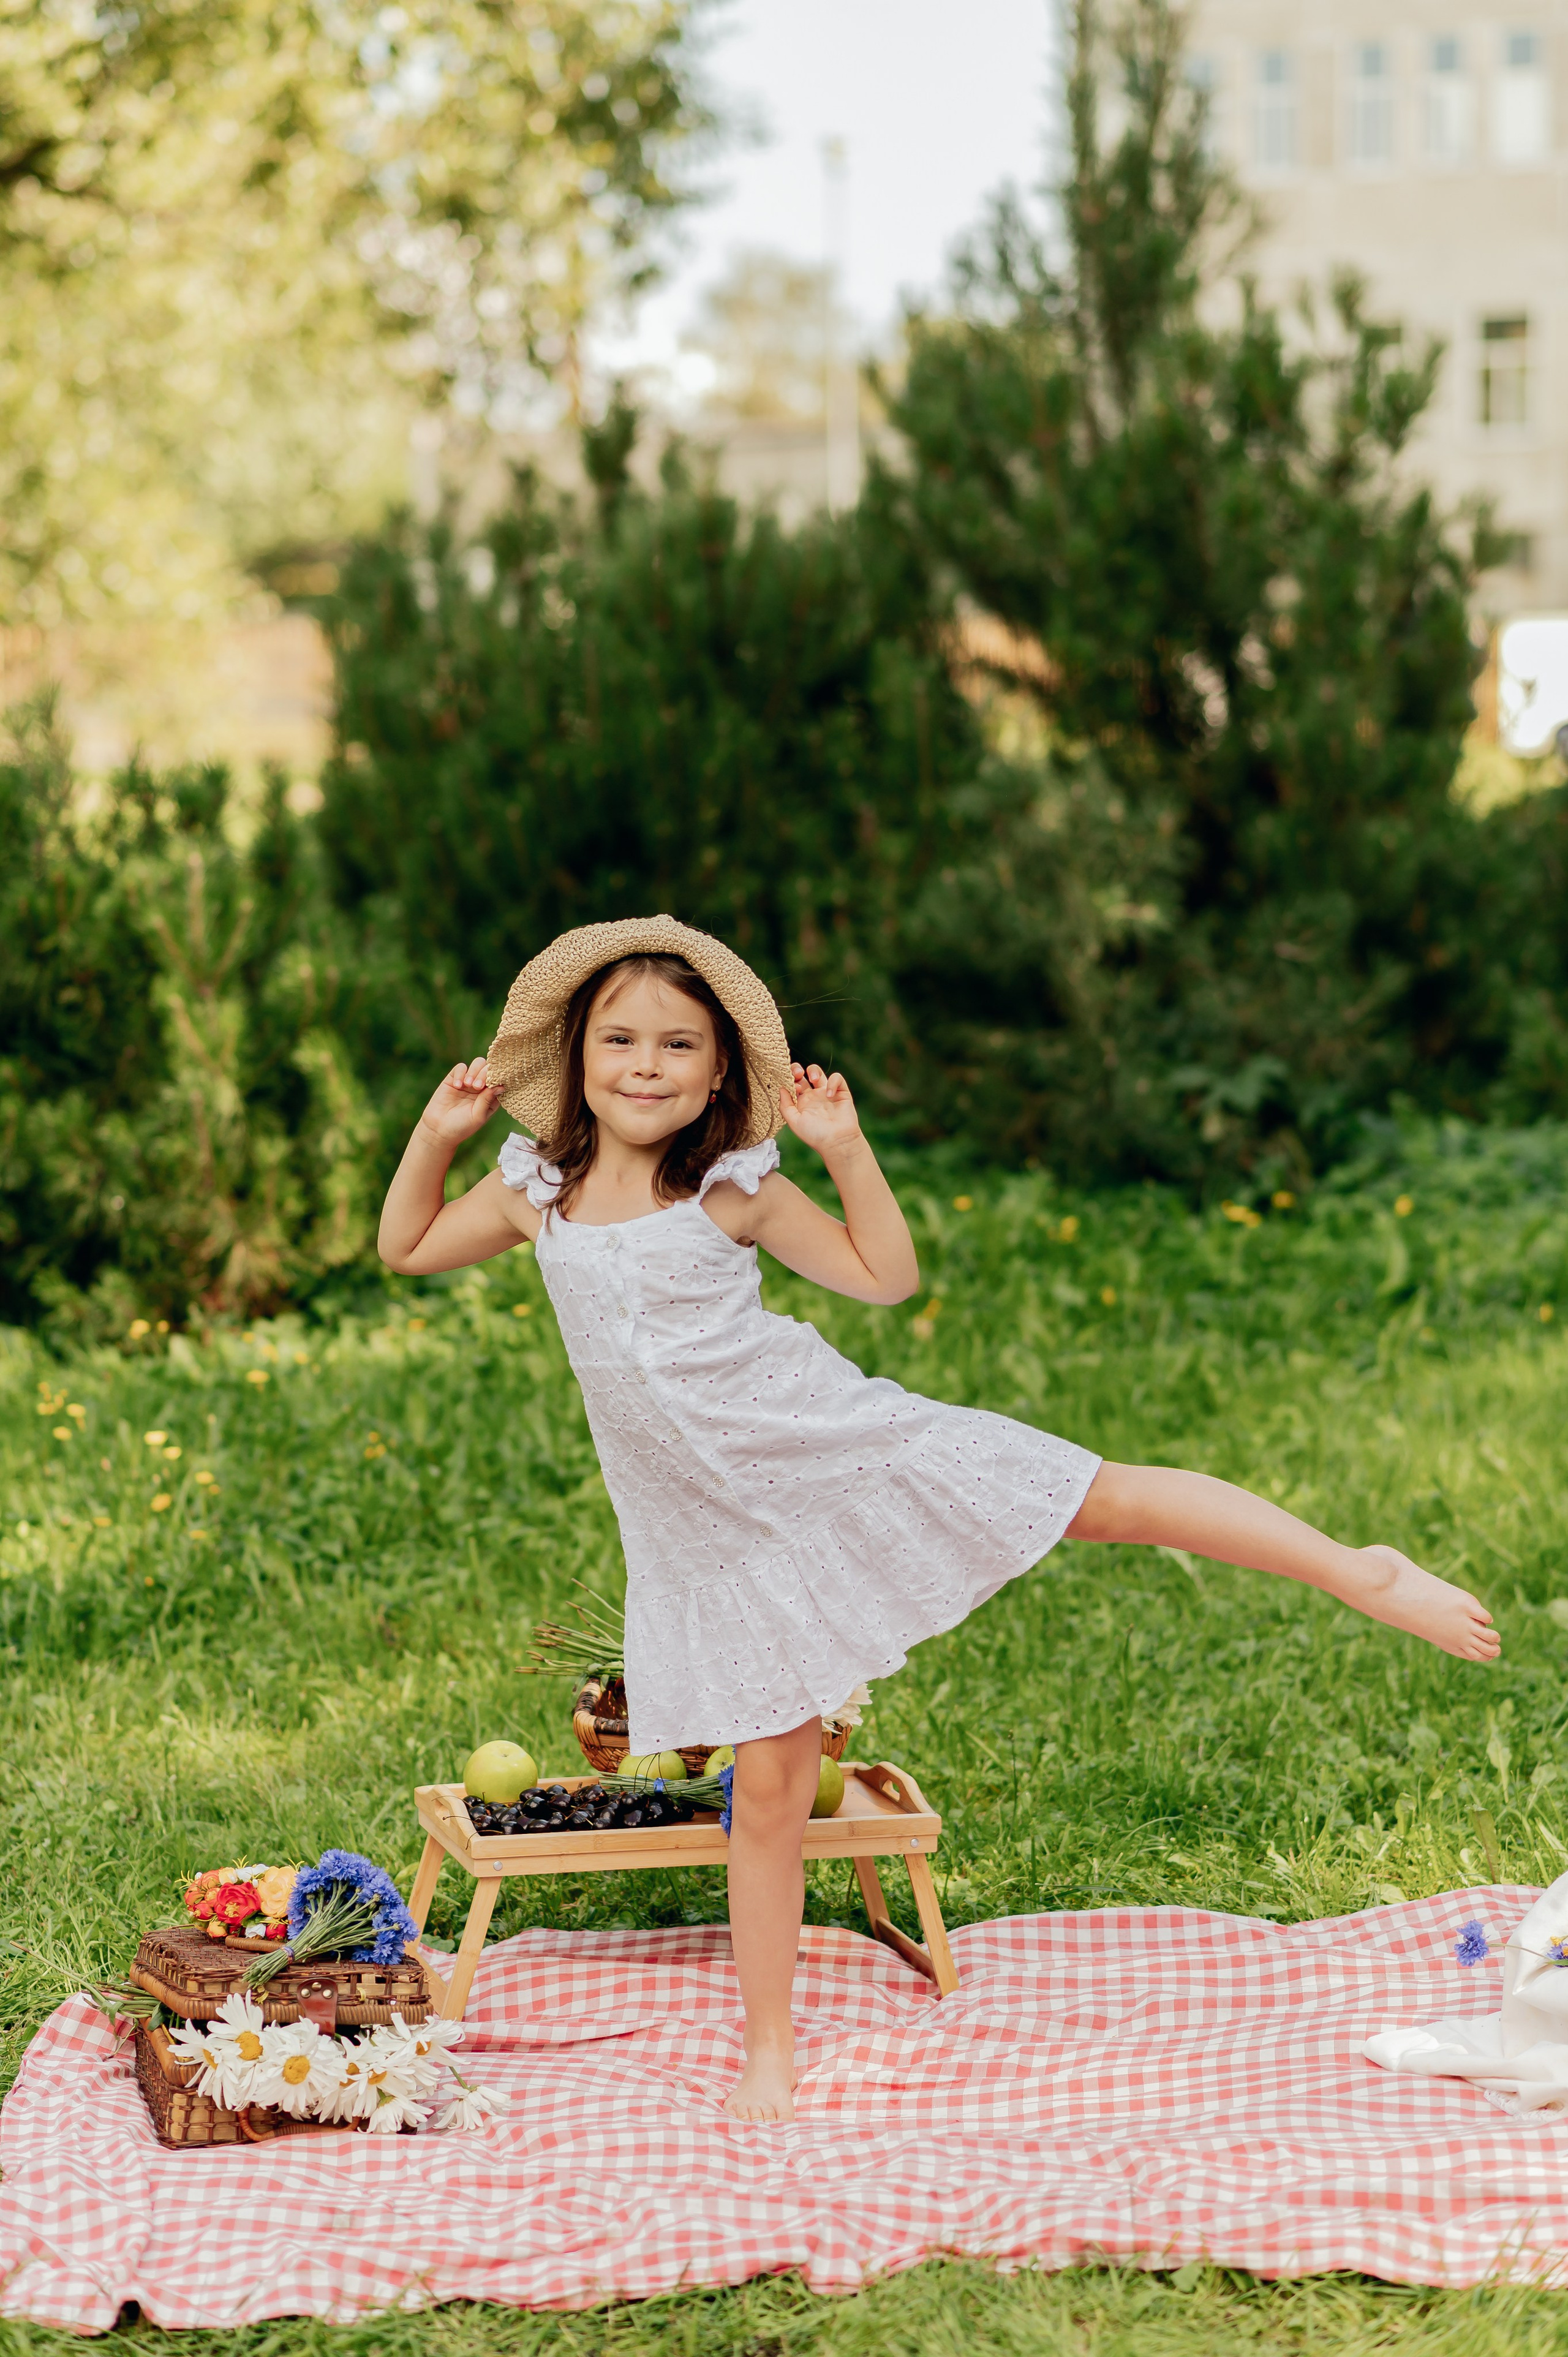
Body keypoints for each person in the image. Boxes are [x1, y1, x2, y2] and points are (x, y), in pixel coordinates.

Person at [379, 916, 1499, 2125]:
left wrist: (847, 1151)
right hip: (714, 1537)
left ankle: (1355, 1568)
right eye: (620, 1039)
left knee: (1098, 1495)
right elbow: (405, 1245)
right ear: (578, 1053)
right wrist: (433, 1137)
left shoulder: (729, 1190)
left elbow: (881, 1275)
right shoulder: (532, 1190)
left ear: (717, 1074)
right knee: (766, 1792)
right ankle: (769, 2050)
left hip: (832, 1448)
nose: (645, 1064)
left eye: (676, 1044)